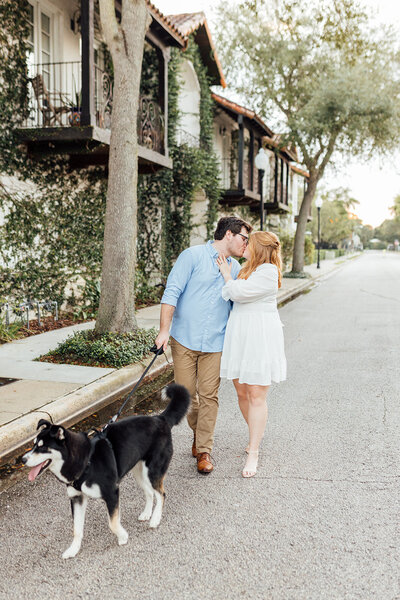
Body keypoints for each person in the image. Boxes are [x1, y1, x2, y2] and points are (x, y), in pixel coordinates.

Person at [155, 216, 252, 474]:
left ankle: (204, 449)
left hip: (216, 342)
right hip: (184, 339)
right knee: (186, 396)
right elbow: (172, 292)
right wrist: (164, 331)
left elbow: (238, 306)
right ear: (229, 235)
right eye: (244, 238)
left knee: (210, 395)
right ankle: (199, 435)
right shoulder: (192, 256)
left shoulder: (237, 269)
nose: (246, 244)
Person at [216, 231, 286, 478]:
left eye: (249, 242)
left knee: (256, 394)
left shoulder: (268, 270)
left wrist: (227, 276)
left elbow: (238, 294)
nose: (244, 245)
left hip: (259, 337)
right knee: (241, 391)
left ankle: (254, 451)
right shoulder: (248, 269)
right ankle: (254, 434)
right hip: (240, 334)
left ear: (259, 247)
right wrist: (232, 278)